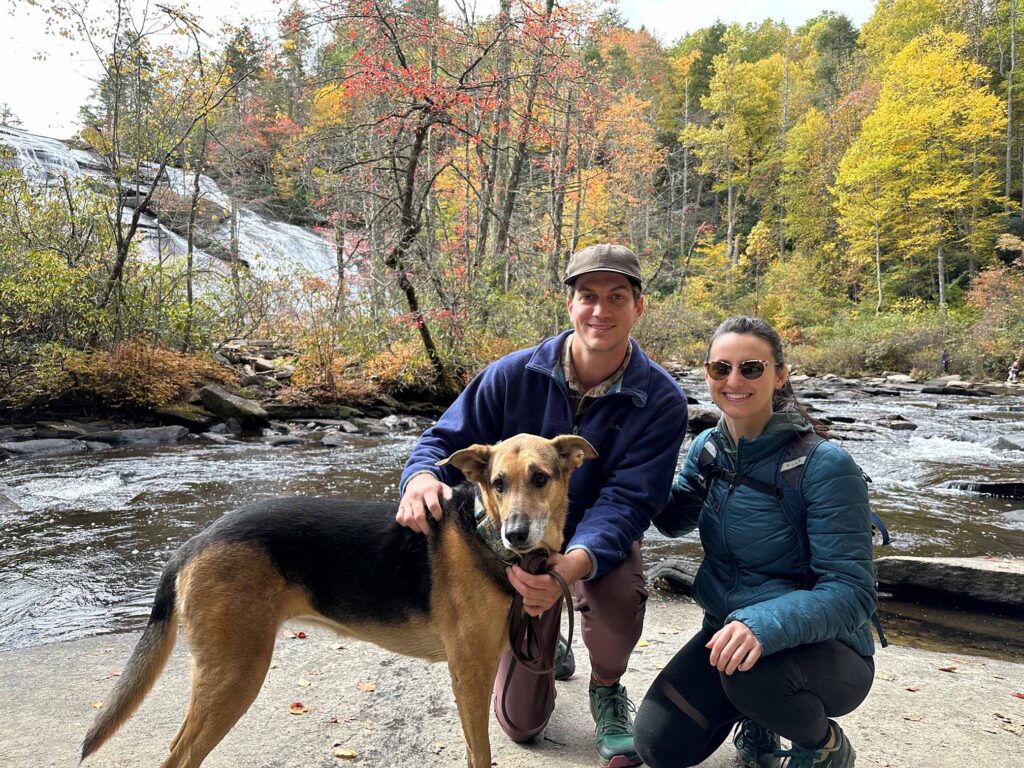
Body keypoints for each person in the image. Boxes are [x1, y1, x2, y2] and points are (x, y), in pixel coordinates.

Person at [397, 243, 688, 768]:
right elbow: (441, 443)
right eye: (588, 296)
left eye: (616, 297)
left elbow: (631, 500)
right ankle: (547, 646)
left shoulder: (661, 398)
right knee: (521, 724)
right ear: (570, 304)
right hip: (514, 543)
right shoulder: (512, 374)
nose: (600, 310)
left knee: (619, 595)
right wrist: (419, 478)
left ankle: (606, 687)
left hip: (601, 540)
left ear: (638, 307)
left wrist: (571, 566)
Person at [634, 316, 877, 768]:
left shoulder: (824, 465)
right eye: (719, 369)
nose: (733, 380)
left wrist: (763, 626)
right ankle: (758, 719)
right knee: (658, 747)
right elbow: (671, 520)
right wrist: (624, 467)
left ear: (780, 375)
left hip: (824, 650)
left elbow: (852, 592)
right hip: (729, 636)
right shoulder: (709, 447)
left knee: (753, 679)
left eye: (751, 368)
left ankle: (822, 746)